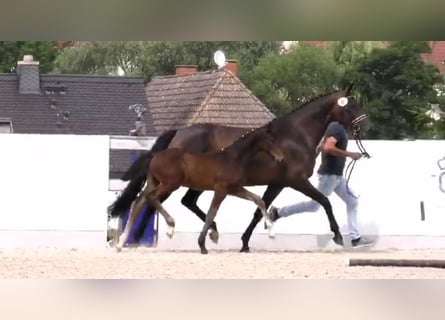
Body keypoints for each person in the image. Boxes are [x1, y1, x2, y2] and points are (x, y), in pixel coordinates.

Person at [266, 121, 374, 248]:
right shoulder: (336, 128)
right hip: (329, 176)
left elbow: (323, 144)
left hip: (336, 176)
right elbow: (328, 147)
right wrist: (350, 154)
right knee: (314, 206)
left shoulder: (336, 128)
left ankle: (355, 238)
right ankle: (277, 213)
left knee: (352, 201)